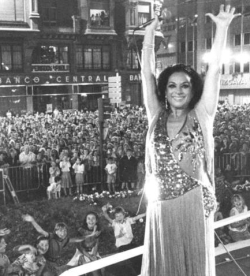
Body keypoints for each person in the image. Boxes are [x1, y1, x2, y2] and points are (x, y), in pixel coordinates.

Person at [140, 5, 239, 275]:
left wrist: (221, 29)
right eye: (172, 85)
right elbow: (146, 75)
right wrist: (149, 35)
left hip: (193, 202)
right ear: (165, 90)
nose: (178, 90)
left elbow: (215, 70)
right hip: (160, 206)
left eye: (185, 85)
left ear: (193, 88)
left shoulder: (202, 114)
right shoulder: (155, 115)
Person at [101, 204, 145, 276]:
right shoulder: (115, 223)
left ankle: (140, 271)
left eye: (120, 215)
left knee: (138, 256)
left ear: (124, 215)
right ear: (115, 217)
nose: (119, 217)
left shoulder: (128, 220)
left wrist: (145, 213)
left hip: (130, 243)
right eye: (117, 216)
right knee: (128, 262)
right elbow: (107, 218)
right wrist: (104, 211)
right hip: (122, 246)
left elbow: (136, 218)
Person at [67, 211, 102, 276]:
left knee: (97, 268)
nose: (91, 220)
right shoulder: (80, 231)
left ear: (96, 220)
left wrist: (94, 255)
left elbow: (96, 243)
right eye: (88, 218)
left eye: (93, 218)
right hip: (82, 252)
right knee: (85, 266)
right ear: (86, 221)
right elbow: (79, 247)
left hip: (92, 251)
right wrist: (89, 256)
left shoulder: (98, 230)